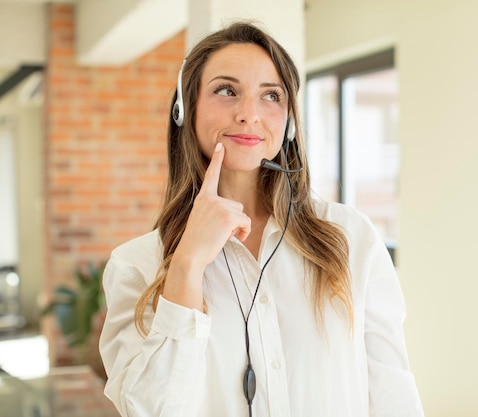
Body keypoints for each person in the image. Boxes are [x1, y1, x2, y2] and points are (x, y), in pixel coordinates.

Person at [99, 20, 424, 417]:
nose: (249, 114)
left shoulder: (352, 237)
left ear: (288, 121)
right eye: (226, 90)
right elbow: (150, 410)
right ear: (186, 110)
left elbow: (392, 393)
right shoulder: (136, 266)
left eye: (271, 95)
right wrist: (187, 264)